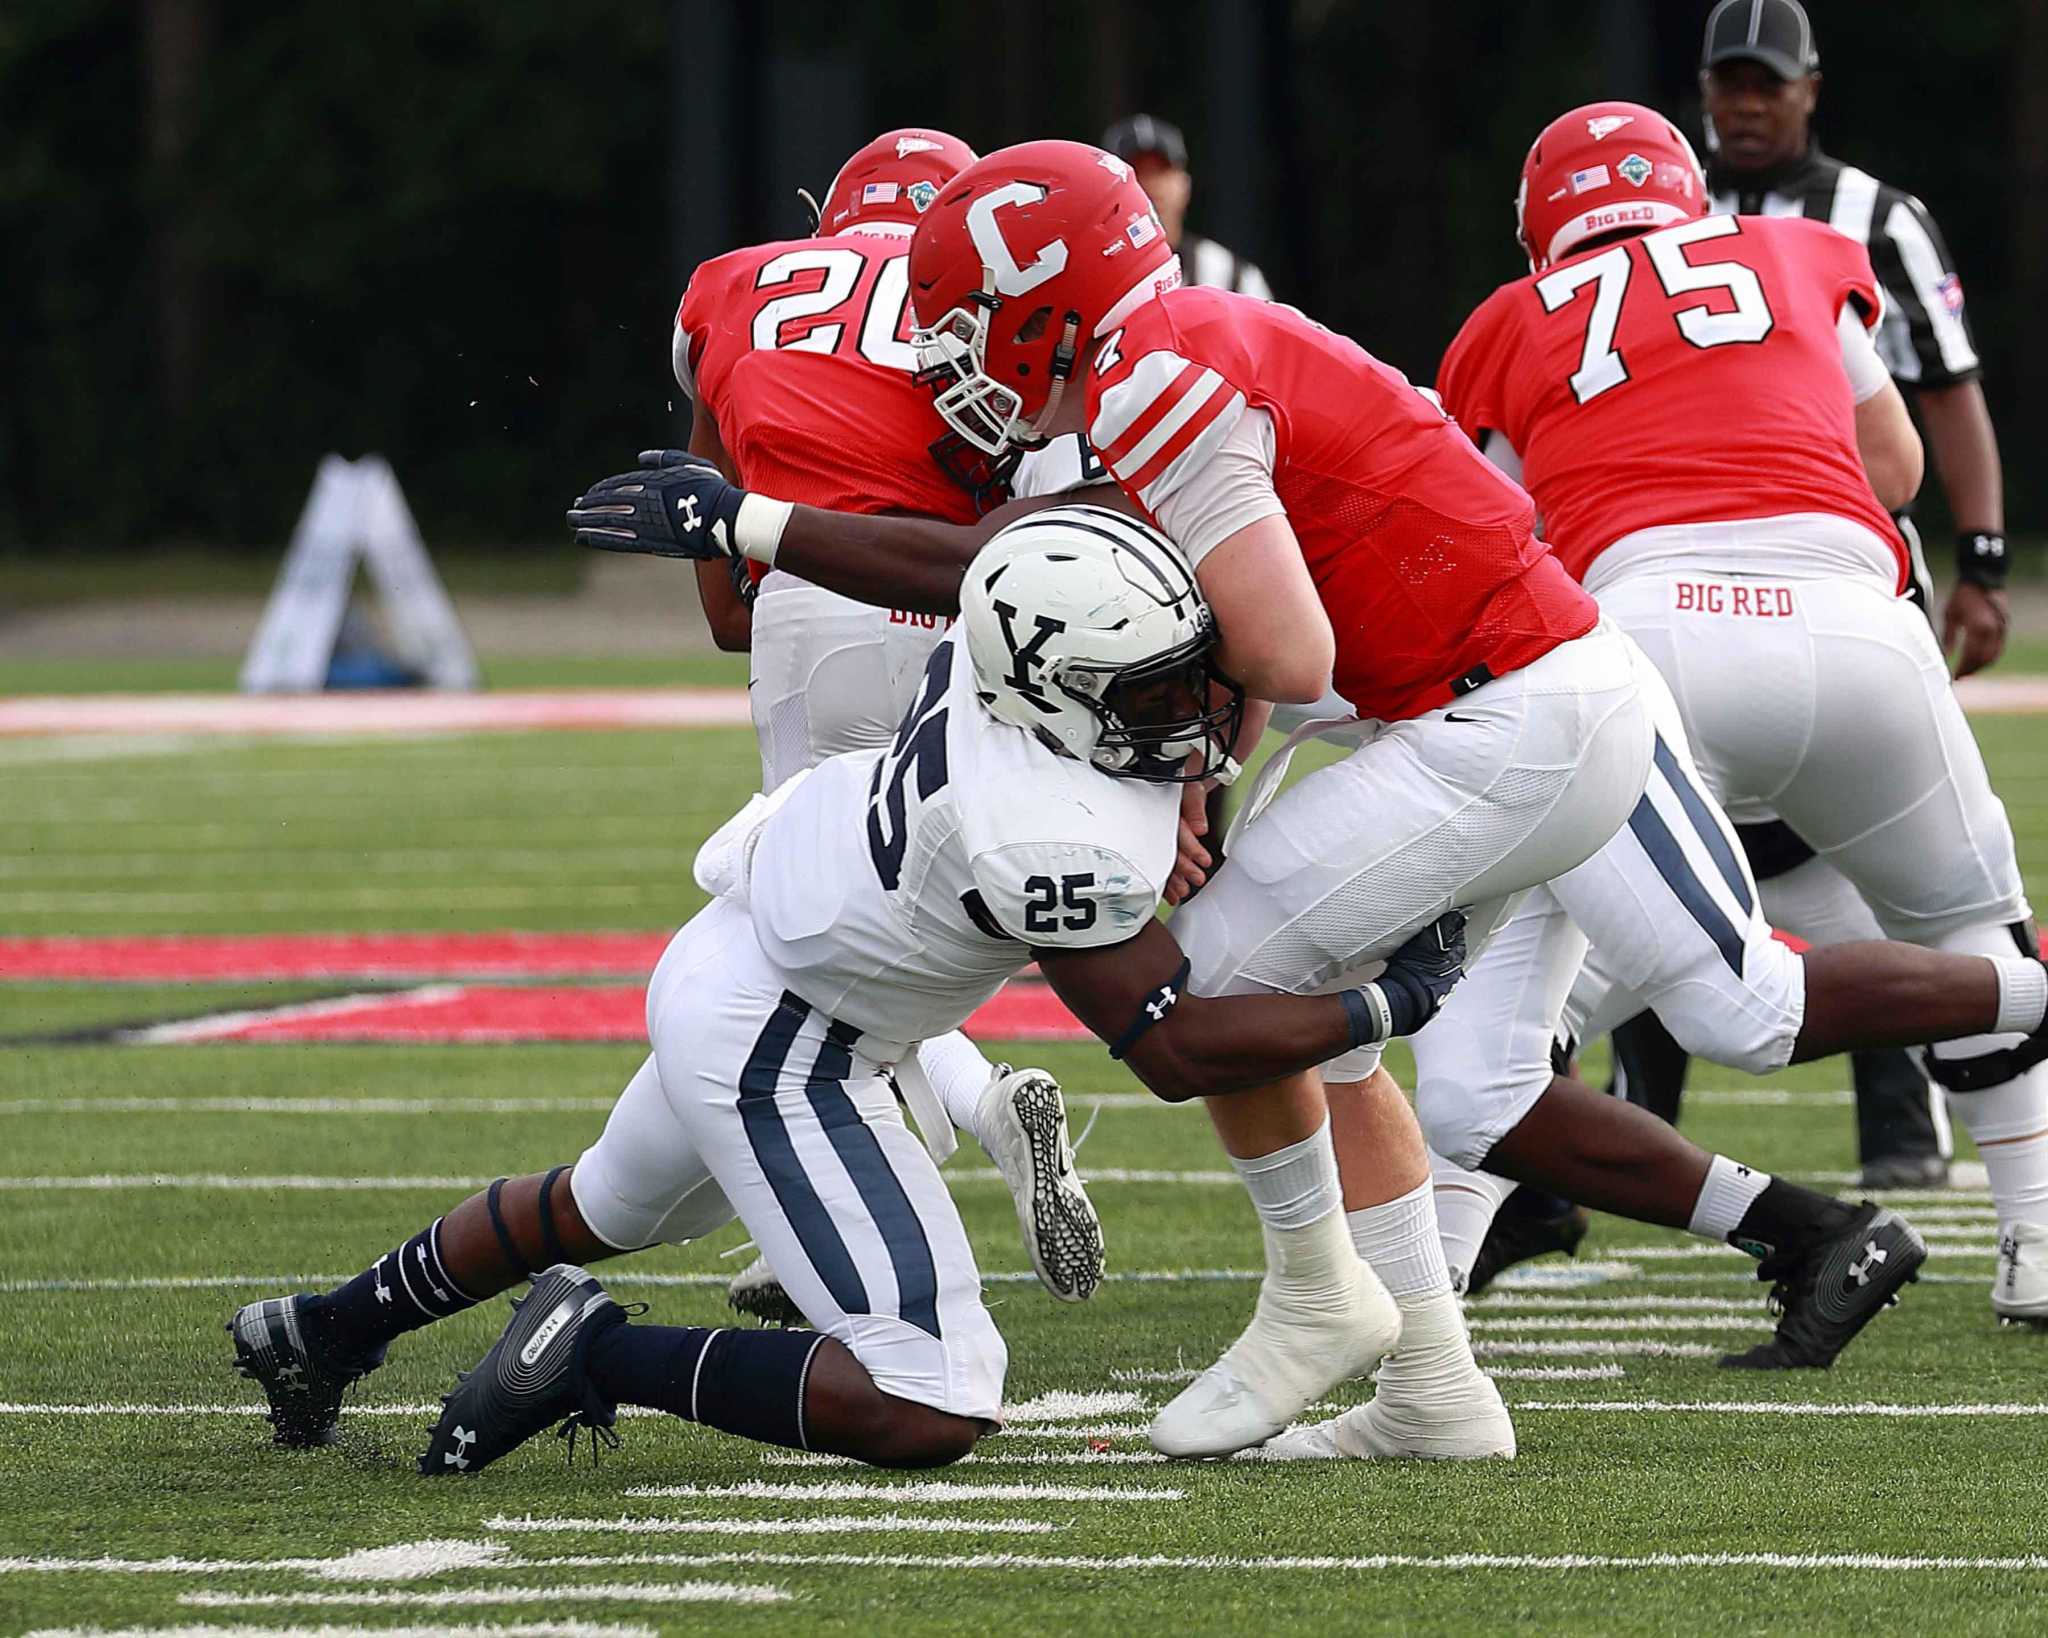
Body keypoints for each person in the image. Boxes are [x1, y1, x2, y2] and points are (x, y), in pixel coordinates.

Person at [571, 143, 2048, 1458]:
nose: (955, 348)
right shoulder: (1166, 346)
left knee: (1221, 989)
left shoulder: (1155, 373)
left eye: (966, 312)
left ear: (1044, 297)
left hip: (1517, 709)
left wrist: (1202, 760)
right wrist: (770, 526)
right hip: (1503, 695)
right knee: (1574, 1044)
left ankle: (1319, 1299)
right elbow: (1075, 570)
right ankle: (1437, 1389)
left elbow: (1283, 645)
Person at [229, 506, 1470, 1469]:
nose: (1190, 706)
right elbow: (1171, 1047)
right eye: (1149, 693)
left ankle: (327, 1329)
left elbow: (972, 568)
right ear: (1057, 695)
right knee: (933, 1397)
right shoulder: (1049, 832)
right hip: (794, 1042)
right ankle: (597, 1357)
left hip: (743, 948)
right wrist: (1388, 1004)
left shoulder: (1010, 657)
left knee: (601, 1203)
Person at [1433, 101, 2047, 1330]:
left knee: (1518, 991)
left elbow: (1488, 545)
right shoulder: (1789, 252)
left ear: (1538, 226)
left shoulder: (1506, 322)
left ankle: (1430, 1276)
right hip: (1851, 621)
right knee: (1975, 933)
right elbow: (1894, 470)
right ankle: (2033, 1244)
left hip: (1643, 639)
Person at [669, 127, 1106, 1317]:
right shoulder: (983, 288)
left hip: (814, 602)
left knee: (807, 917)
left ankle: (944, 1125)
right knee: (896, 901)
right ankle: (923, 1142)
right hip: (970, 603)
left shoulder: (734, 282)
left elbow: (720, 589)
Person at [1598, 0, 2019, 1189]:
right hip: (1698, 577)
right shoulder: (1644, 222)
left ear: (1809, 89)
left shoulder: (1878, 219)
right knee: (1674, 843)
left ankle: (1903, 1124)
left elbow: (1944, 390)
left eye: (1763, 83)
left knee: (1875, 867)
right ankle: (1643, 1128)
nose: (1742, 103)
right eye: (1725, 82)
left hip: (1835, 577)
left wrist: (1980, 559)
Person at [1103, 114, 1272, 299]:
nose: (1152, 185)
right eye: (1137, 172)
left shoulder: (1232, 276)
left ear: (1185, 183)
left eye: (1162, 171)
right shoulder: (1094, 275)